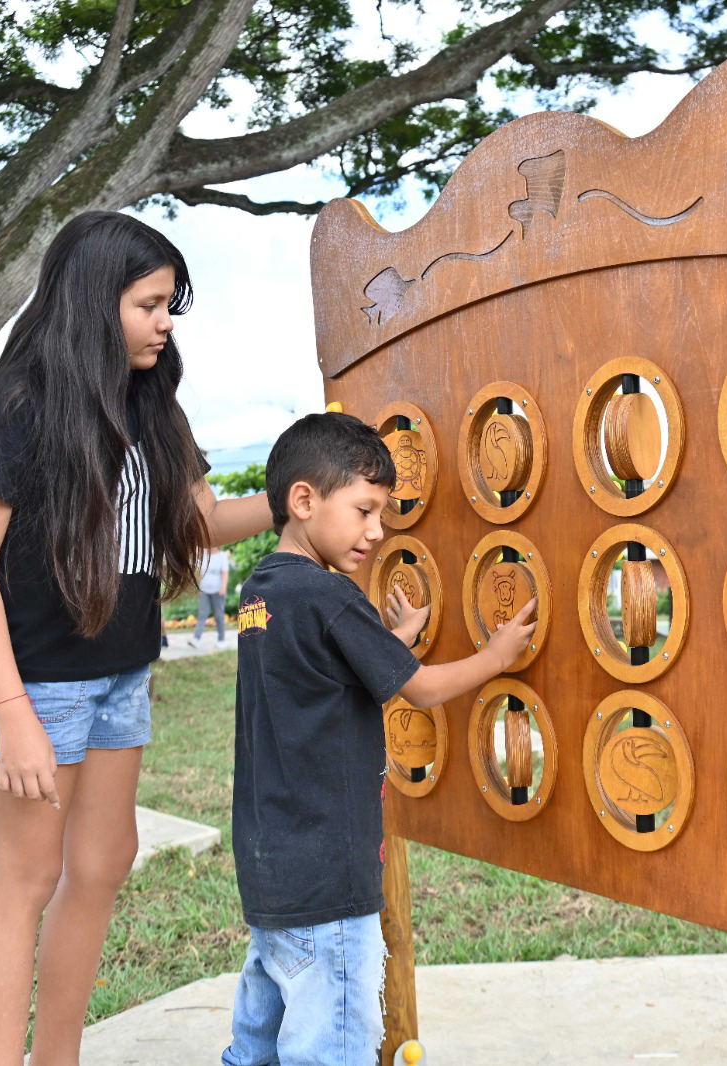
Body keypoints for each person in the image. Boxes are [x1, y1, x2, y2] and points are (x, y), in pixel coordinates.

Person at [0, 211, 275, 1066]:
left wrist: (303, 497)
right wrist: (11, 712)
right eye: (149, 306)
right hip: (32, 679)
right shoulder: (14, 403)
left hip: (121, 671)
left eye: (170, 307)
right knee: (24, 879)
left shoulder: (152, 405)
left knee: (102, 862)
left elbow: (200, 523)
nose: (166, 325)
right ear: (95, 300)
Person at [224, 412, 536, 1066]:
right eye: (364, 510)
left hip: (272, 871)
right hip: (329, 880)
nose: (377, 530)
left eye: (383, 515)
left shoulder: (262, 593)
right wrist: (496, 656)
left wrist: (391, 640)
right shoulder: (330, 596)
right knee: (330, 1048)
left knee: (257, 1045)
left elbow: (321, 676)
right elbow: (419, 689)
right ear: (303, 500)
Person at [190, 546, 231, 645]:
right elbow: (195, 566)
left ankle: (221, 640)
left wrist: (223, 587)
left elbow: (225, 573)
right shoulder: (204, 556)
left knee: (219, 615)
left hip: (218, 591)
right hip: (204, 590)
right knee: (202, 614)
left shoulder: (222, 556)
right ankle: (196, 639)